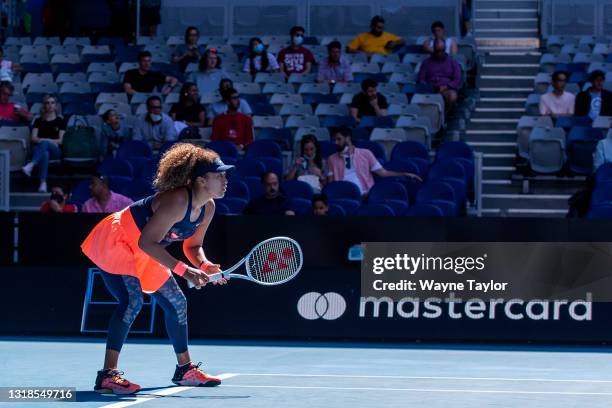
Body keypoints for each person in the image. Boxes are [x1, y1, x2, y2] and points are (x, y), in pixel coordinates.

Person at [81, 144, 231, 394]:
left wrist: (204, 265)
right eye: (219, 176)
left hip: (146, 248)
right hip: (119, 240)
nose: (226, 180)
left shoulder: (208, 207)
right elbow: (146, 242)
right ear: (202, 180)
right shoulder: (178, 200)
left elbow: (193, 246)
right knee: (132, 301)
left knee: (177, 302)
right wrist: (185, 271)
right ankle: (107, 375)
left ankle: (185, 370)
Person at [327, 127, 421, 196]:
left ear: (348, 138)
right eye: (334, 140)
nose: (336, 143)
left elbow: (383, 173)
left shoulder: (365, 154)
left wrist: (405, 174)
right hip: (342, 194)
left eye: (339, 139)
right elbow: (331, 184)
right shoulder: (332, 158)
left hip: (364, 193)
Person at [22, 95, 65, 193]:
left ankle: (32, 164)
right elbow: (33, 138)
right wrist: (45, 141)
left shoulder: (60, 121)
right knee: (45, 153)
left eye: (52, 102)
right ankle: (43, 183)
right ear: (44, 105)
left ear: (56, 105)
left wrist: (45, 140)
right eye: (47, 103)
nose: (50, 105)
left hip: (55, 150)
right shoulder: (38, 120)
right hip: (39, 149)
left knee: (45, 145)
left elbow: (60, 140)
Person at [417, 39, 462, 112]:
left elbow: (457, 79)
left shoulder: (452, 62)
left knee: (452, 96)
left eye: (442, 50)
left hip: (446, 89)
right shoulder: (426, 62)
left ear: (445, 49)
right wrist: (429, 87)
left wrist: (446, 87)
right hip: (431, 89)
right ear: (434, 49)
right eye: (438, 51)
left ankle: (445, 114)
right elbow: (421, 79)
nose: (439, 53)